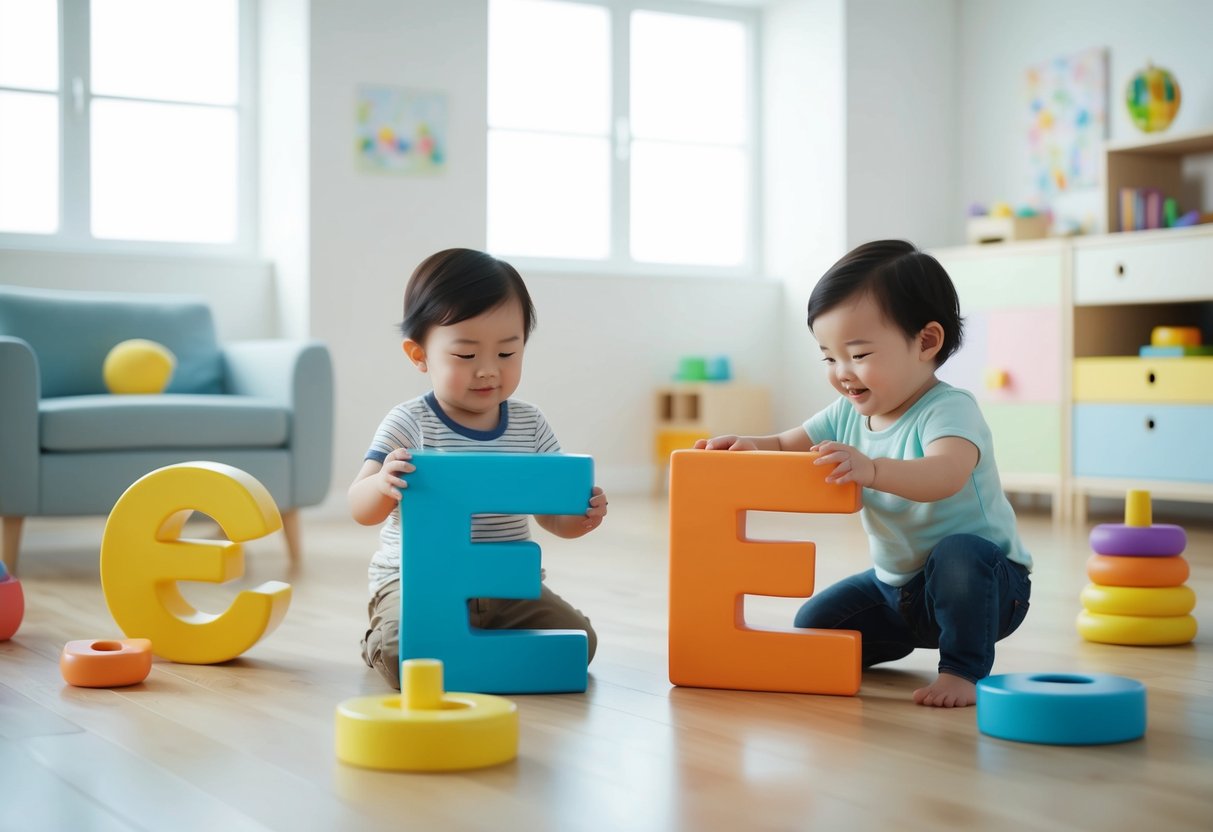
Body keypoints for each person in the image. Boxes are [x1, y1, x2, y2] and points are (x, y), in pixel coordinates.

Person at [695, 240, 1032, 708]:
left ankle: (962, 669)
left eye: (858, 354)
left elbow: (945, 474)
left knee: (959, 554)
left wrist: (872, 469)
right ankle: (903, 638)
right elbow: (788, 443)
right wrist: (750, 446)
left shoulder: (950, 409)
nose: (841, 373)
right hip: (896, 588)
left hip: (988, 585)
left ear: (926, 342)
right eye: (829, 357)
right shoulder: (847, 412)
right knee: (814, 627)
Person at [350, 248, 607, 689]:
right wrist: (382, 483)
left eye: (507, 354)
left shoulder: (529, 424)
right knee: (402, 658)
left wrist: (578, 518)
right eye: (466, 356)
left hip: (505, 585)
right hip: (417, 584)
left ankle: (479, 649)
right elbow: (360, 506)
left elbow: (550, 513)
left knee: (580, 642)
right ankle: (380, 641)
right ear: (419, 355)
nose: (488, 371)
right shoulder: (410, 422)